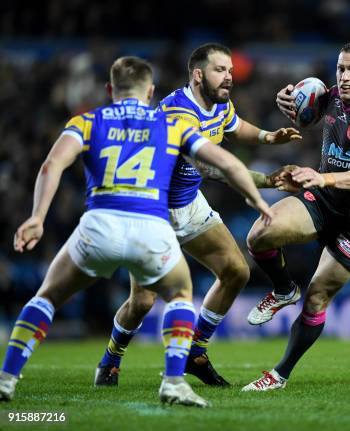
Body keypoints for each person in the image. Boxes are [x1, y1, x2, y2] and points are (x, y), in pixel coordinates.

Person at [0, 56, 272, 406]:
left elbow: (52, 164)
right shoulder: (169, 124)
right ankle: (172, 381)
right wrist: (258, 198)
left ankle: (6, 379)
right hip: (151, 225)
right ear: (150, 91)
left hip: (100, 225)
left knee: (47, 297)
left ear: (110, 89)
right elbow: (226, 162)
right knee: (178, 295)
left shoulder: (87, 120)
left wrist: (37, 217)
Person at [94, 43, 300, 388]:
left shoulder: (217, 102)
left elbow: (235, 125)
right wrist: (265, 180)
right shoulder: (179, 113)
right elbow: (211, 167)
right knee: (142, 301)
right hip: (152, 211)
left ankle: (195, 352)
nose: (229, 78)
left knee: (235, 271)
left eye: (231, 71)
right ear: (198, 75)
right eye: (221, 70)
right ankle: (109, 361)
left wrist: (268, 137)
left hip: (188, 203)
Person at [241, 41, 350, 391]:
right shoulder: (330, 96)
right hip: (323, 199)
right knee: (258, 236)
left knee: (315, 297)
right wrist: (284, 100)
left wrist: (323, 176)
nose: (344, 76)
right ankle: (283, 290)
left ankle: (279, 374)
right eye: (341, 68)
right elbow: (302, 109)